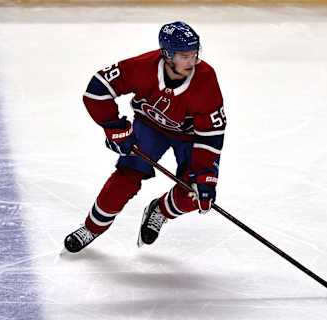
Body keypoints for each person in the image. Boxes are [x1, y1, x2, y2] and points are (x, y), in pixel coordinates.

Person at [64, 21, 226, 253]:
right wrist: (116, 129)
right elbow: (96, 91)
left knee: (194, 193)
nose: (192, 61)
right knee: (125, 177)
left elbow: (210, 133)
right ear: (167, 55)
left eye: (194, 54)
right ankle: (91, 228)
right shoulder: (143, 66)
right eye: (184, 56)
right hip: (149, 127)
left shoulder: (206, 78)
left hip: (190, 138)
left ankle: (159, 211)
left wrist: (205, 175)